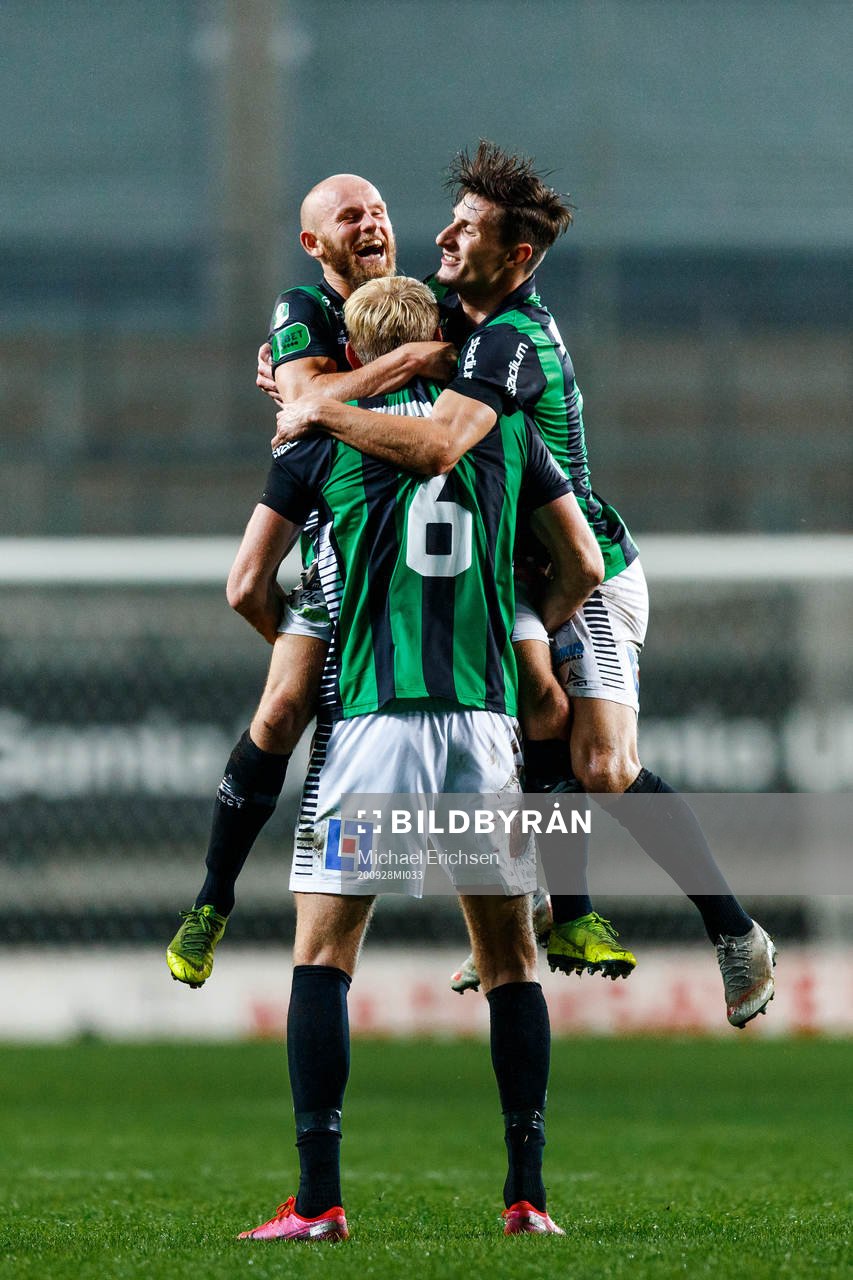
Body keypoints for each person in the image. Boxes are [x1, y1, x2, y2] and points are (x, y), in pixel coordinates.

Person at [271, 142, 777, 1030]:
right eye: (452, 218)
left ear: (519, 256)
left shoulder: (513, 338)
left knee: (601, 765)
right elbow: (374, 365)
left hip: (586, 573)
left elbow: (435, 445)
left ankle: (735, 932)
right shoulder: (453, 316)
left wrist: (316, 404)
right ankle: (546, 913)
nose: (442, 236)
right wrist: (323, 382)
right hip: (503, 574)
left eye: (468, 228)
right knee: (518, 734)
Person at [233, 275, 603, 1240]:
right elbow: (584, 566)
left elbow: (246, 587)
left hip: (370, 721)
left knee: (324, 956)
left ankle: (318, 1201)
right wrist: (520, 620)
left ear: (353, 351)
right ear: (440, 336)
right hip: (480, 724)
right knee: (510, 957)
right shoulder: (505, 431)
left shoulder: (322, 439)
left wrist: (312, 653)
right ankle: (526, 1196)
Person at [166, 175, 456, 987]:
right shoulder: (304, 310)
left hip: (448, 553)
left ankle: (552, 907)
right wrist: (402, 364)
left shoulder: (433, 295)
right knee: (287, 702)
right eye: (348, 216)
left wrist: (332, 389)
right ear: (314, 244)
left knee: (535, 690)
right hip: (344, 543)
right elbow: (303, 406)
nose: (371, 223)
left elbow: (479, 368)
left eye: (379, 211)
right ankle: (213, 899)